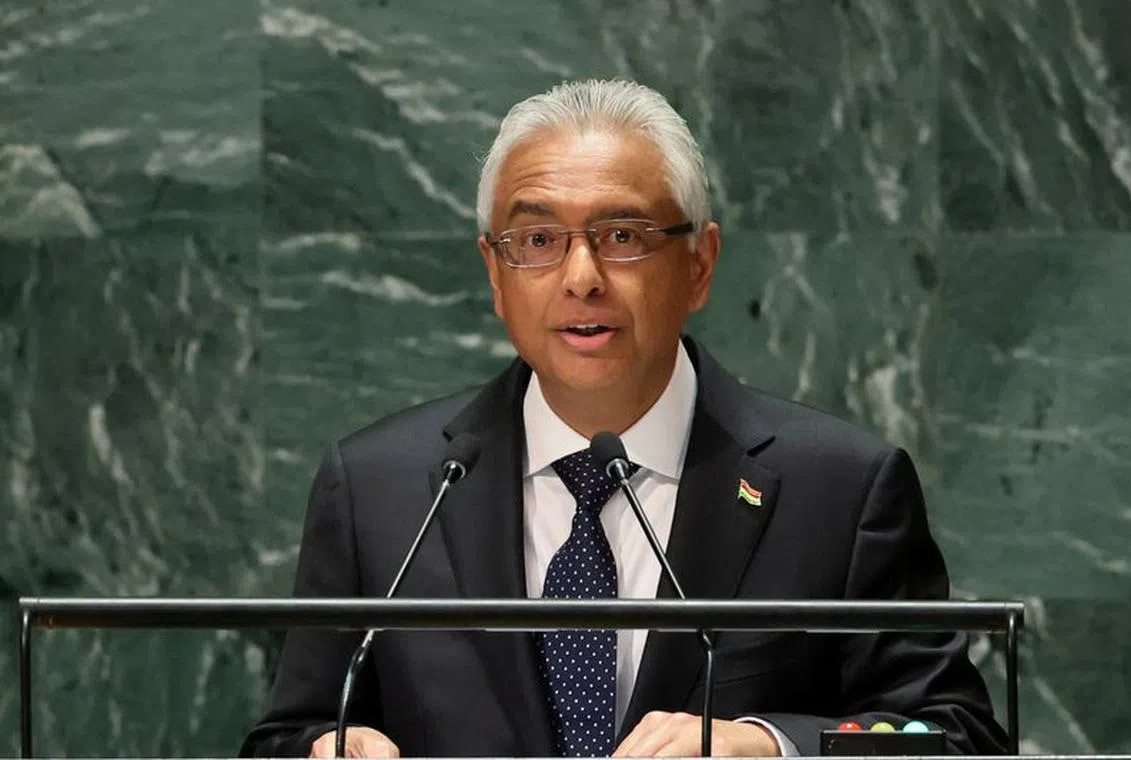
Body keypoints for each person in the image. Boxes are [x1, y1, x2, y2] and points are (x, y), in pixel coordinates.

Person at [241, 79, 1007, 758]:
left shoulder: (839, 490)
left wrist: (772, 746)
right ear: (495, 274)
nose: (581, 278)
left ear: (700, 265)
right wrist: (327, 750)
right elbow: (284, 737)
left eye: (624, 238)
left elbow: (957, 739)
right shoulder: (383, 488)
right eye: (537, 240)